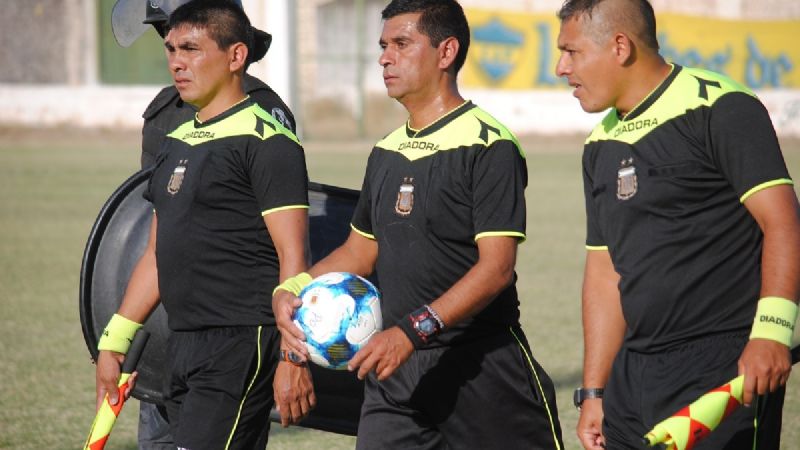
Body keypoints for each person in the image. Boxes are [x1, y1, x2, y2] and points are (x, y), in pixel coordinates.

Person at [273, 1, 564, 448]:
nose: (384, 57)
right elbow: (359, 252)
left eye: (401, 44)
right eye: (383, 46)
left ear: (446, 52)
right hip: (395, 375)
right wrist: (293, 289)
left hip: (482, 370)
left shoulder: (488, 146)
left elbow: (497, 268)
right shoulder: (386, 151)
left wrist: (411, 332)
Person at [554, 0, 800, 448]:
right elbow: (606, 271)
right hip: (633, 378)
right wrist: (594, 390)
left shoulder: (722, 107)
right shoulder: (600, 144)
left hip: (723, 366)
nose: (560, 67)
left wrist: (771, 333)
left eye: (572, 52)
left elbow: (783, 222)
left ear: (620, 46)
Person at [94, 1, 313, 448]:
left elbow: (294, 256)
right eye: (172, 49)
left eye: (191, 49)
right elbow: (157, 254)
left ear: (236, 57)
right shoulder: (176, 141)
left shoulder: (268, 139)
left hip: (240, 342)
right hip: (182, 341)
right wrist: (114, 341)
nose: (176, 61)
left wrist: (294, 355)